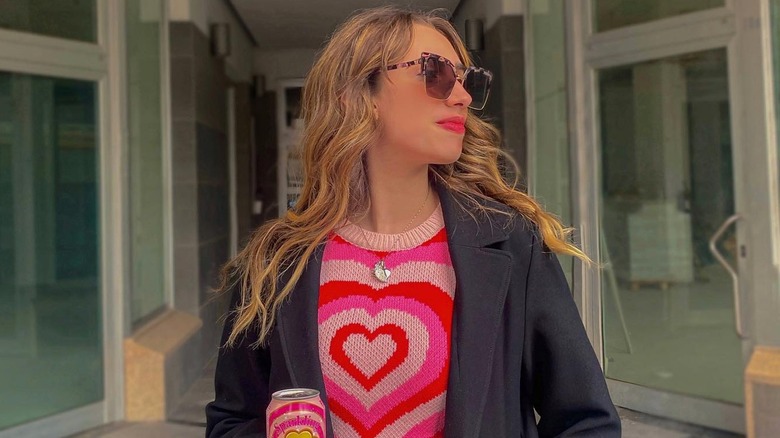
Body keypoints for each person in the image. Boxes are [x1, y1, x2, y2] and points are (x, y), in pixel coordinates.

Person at [206, 6, 621, 438]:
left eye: (466, 80)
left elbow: (585, 421)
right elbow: (231, 420)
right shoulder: (276, 262)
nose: (461, 96)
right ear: (357, 94)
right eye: (436, 72)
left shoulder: (512, 243)